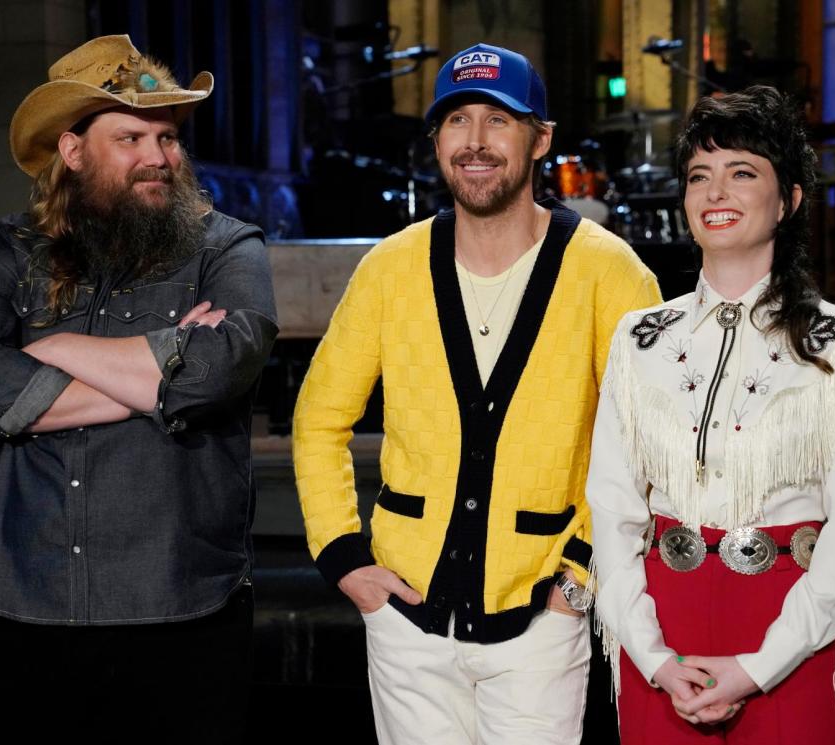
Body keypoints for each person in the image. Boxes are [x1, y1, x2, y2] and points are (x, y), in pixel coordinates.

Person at [294, 43, 661, 744]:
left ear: (541, 138)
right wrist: (344, 559)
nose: (476, 142)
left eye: (499, 120)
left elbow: (645, 447)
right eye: (457, 120)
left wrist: (579, 583)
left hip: (540, 622)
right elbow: (318, 419)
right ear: (436, 140)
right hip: (406, 621)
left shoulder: (611, 275)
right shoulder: (389, 269)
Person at [0, 35, 277, 743]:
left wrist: (55, 348)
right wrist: (156, 371)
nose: (159, 156)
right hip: (25, 609)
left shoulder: (229, 249)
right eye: (131, 137)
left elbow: (218, 370)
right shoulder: (4, 255)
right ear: (72, 151)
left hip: (184, 609)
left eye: (167, 137)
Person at [586, 86, 835, 744]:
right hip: (662, 638)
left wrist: (761, 665)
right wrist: (653, 657)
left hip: (793, 635)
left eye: (742, 172)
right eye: (699, 175)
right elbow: (612, 512)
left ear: (788, 200)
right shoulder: (638, 337)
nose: (715, 192)